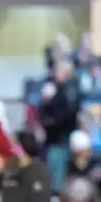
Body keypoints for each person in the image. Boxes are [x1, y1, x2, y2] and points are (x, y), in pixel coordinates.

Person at [40, 60, 81, 191]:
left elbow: (66, 114)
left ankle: (57, 192)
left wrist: (48, 104)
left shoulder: (68, 90)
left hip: (60, 137)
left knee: (57, 166)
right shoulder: (63, 89)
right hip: (57, 136)